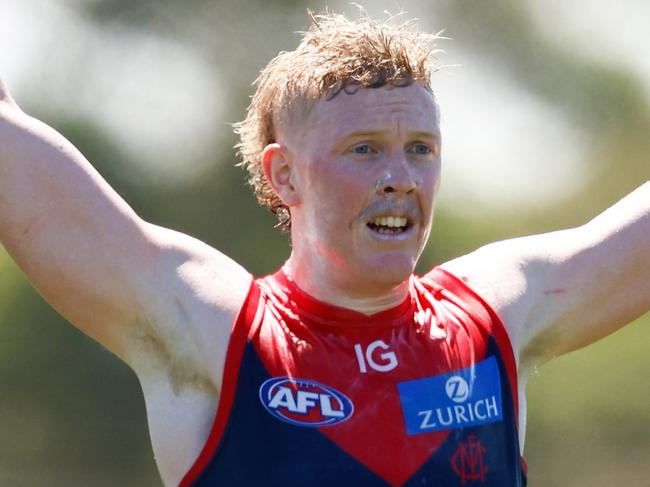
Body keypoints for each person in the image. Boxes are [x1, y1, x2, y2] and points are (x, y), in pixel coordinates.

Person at [0, 10, 648, 487]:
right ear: (285, 175)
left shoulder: (493, 319)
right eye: (364, 148)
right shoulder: (216, 330)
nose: (400, 175)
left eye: (420, 148)